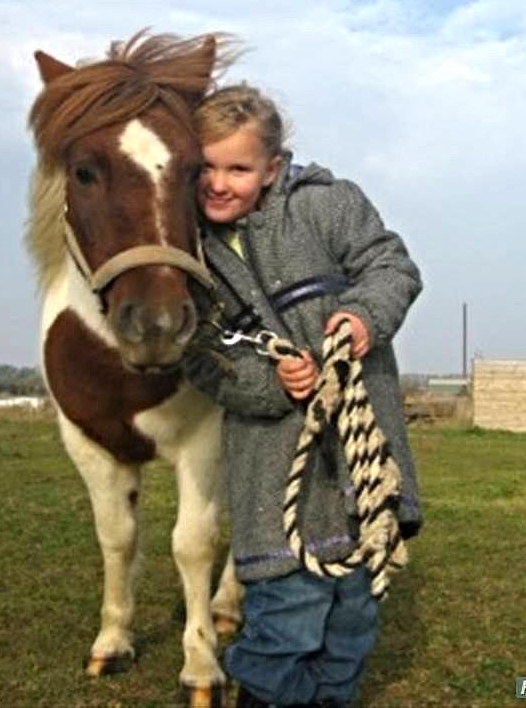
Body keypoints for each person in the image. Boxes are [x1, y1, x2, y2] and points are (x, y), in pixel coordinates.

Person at [182, 83, 423, 708]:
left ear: (272, 169)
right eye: (205, 166)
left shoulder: (327, 206)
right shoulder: (189, 255)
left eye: (237, 167)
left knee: (351, 629)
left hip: (361, 467)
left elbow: (391, 266)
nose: (219, 182)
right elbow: (200, 356)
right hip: (274, 474)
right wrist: (268, 381)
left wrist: (363, 316)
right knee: (283, 623)